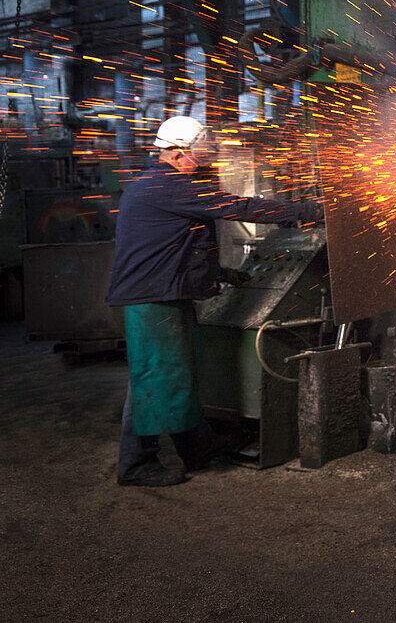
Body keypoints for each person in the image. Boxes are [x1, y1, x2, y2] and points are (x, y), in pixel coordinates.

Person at [106, 115, 323, 487]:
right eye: (198, 155)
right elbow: (241, 208)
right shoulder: (171, 186)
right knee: (155, 378)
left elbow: (171, 247)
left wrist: (221, 273)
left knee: (172, 376)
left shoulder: (154, 184)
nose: (204, 162)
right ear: (175, 154)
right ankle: (136, 464)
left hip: (161, 291)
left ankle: (197, 447)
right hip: (154, 298)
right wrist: (306, 212)